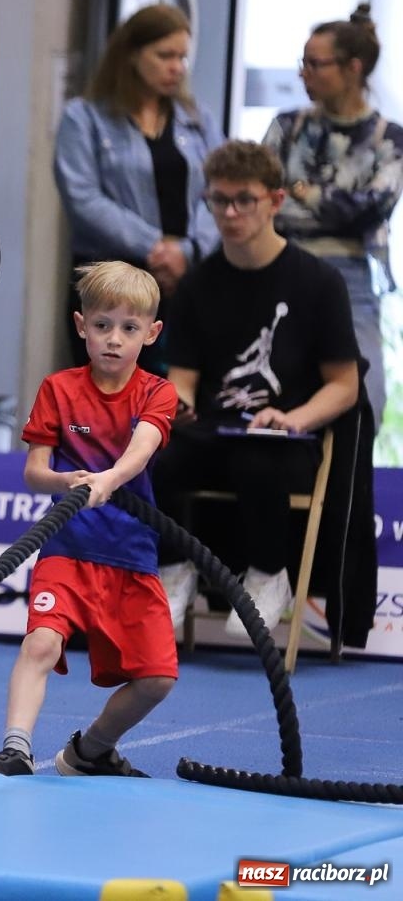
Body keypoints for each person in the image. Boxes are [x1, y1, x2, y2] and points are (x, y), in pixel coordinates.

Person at [0, 262, 177, 779]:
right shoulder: (59, 390)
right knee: (40, 642)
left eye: (129, 329)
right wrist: (68, 483)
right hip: (67, 546)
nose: (113, 339)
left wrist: (109, 480)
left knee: (157, 679)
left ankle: (91, 750)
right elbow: (35, 472)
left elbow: (143, 447)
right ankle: (15, 749)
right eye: (102, 325)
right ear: (81, 325)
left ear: (151, 333)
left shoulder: (158, 393)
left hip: (132, 553)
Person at [152, 141, 360, 639]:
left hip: (288, 439)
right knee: (156, 452)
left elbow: (345, 385)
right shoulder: (198, 286)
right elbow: (183, 381)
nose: (229, 212)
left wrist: (295, 418)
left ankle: (271, 577)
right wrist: (174, 407)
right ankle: (175, 570)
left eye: (243, 199)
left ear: (275, 201)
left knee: (255, 458)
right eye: (218, 200)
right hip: (214, 430)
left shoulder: (319, 282)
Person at [54, 3, 223, 373]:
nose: (176, 67)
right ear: (131, 54)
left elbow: (221, 192)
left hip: (185, 279)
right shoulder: (84, 118)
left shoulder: (197, 120)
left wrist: (188, 250)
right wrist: (156, 248)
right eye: (165, 55)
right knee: (107, 403)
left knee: (176, 402)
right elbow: (83, 198)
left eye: (182, 57)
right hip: (111, 282)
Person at [264, 3, 403, 427]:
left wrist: (301, 190)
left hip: (351, 275)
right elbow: (261, 199)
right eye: (301, 62)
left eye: (314, 64)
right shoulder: (287, 127)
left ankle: (348, 491)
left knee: (366, 399)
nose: (303, 73)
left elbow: (366, 212)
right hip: (282, 264)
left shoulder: (388, 138)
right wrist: (329, 202)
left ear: (353, 68)